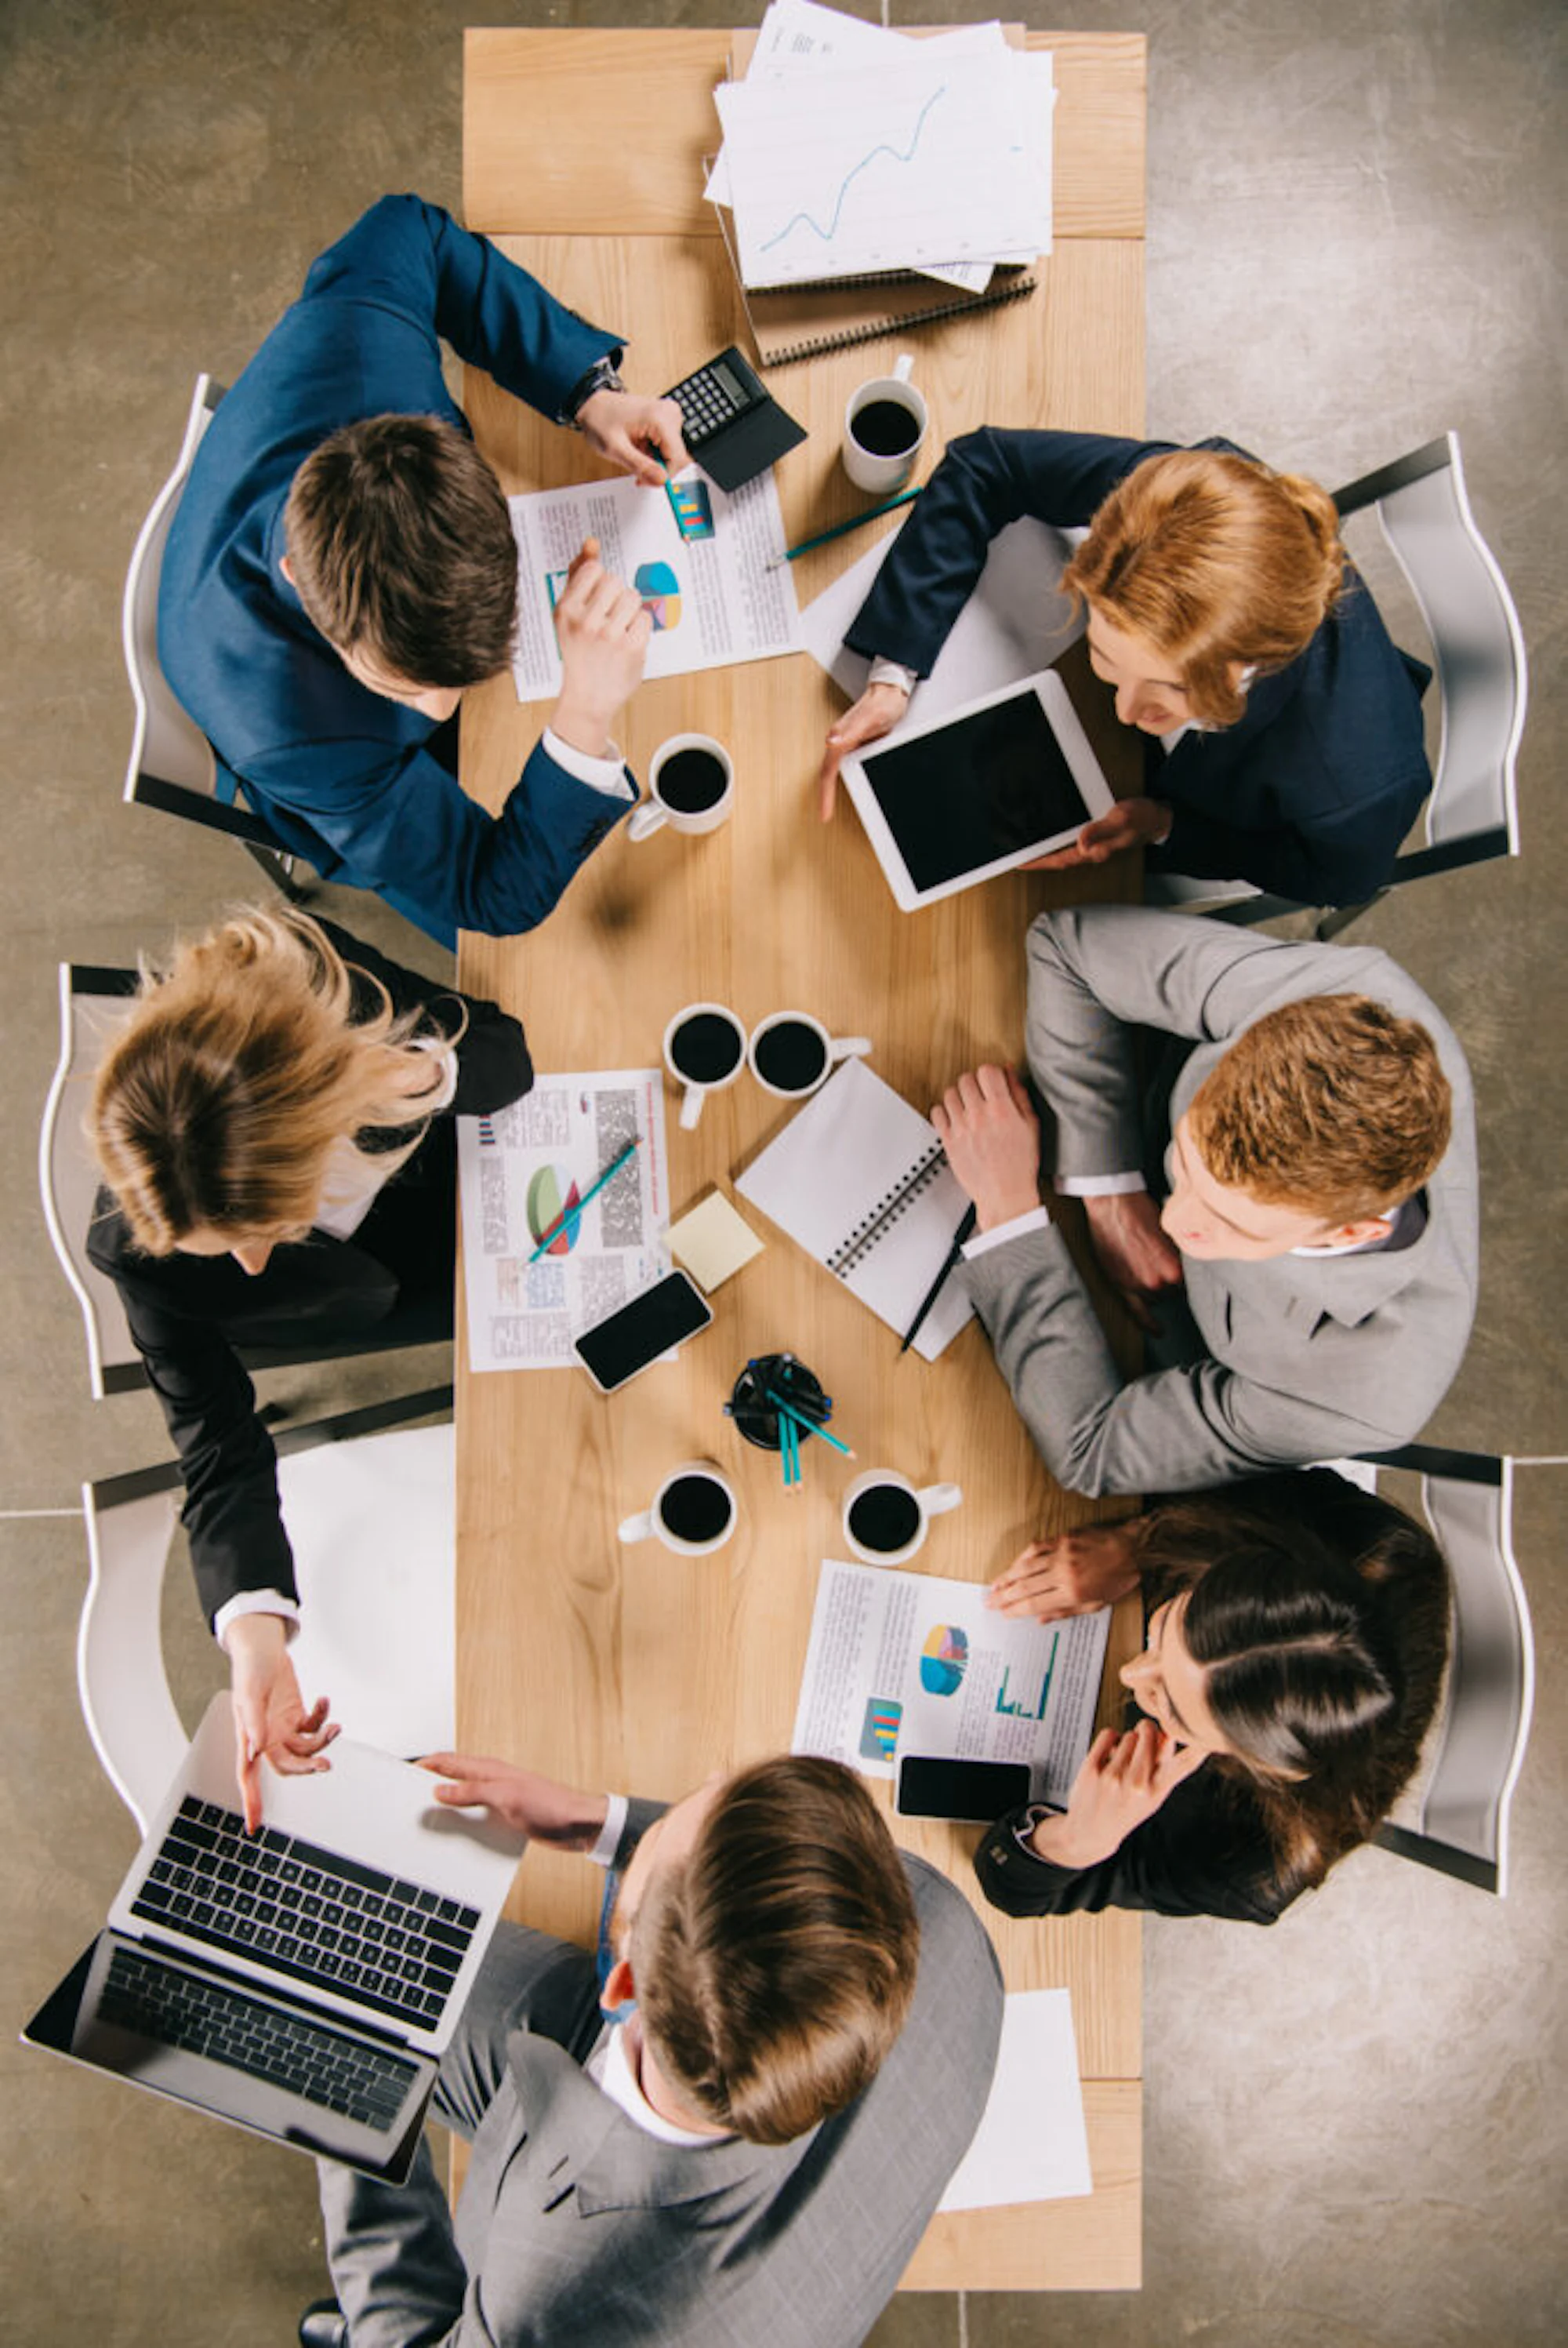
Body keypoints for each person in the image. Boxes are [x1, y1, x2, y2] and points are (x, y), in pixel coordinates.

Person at [300, 1750, 1004, 2348]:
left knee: (327, 1994)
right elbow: (783, 1902)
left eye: (662, 1829)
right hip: (666, 2064)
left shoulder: (544, 2302)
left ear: (624, 1981)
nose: (657, 1822)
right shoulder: (936, 1931)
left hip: (571, 2209)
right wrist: (598, 1823)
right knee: (363, 1952)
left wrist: (342, 2093)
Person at [85, 908, 533, 1827]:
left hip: (474, 1161)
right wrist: (254, 1637)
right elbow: (213, 1443)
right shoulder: (140, 1252)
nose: (251, 1270)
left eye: (267, 1231)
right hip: (393, 1290)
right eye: (228, 1249)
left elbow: (506, 1057)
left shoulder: (325, 993)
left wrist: (415, 1075)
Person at [160, 193, 691, 946]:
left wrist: (589, 397)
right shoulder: (294, 736)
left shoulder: (368, 342)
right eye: (408, 684)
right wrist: (583, 714)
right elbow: (489, 892)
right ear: (299, 580)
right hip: (355, 782)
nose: (443, 708)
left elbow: (411, 228)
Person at [931, 905, 1477, 1495]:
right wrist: (1110, 1191)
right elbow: (1067, 950)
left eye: (1232, 1223)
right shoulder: (1334, 1005)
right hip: (1110, 1144)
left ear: (1349, 1233)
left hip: (1146, 1343)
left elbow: (1093, 1451)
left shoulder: (1365, 1391)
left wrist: (1010, 1213)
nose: (1174, 1220)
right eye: (1190, 1163)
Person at [818, 430, 1432, 906]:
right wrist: (893, 674)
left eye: (1162, 699)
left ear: (1239, 672)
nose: (1125, 713)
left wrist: (1166, 826)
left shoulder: (1354, 796)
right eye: (1106, 659)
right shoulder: (1177, 508)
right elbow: (989, 463)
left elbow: (1337, 880)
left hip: (1217, 802)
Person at [972, 1468, 1450, 1923]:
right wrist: (1136, 1544)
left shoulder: (1251, 1866)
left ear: (1264, 1765)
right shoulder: (1373, 1543)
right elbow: (1251, 1487)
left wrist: (1079, 1840)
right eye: (1166, 1628)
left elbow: (1013, 1888)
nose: (1131, 1673)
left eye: (1173, 1709)